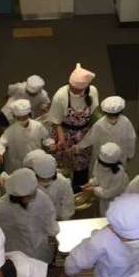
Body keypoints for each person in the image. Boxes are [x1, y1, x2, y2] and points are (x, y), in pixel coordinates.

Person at [0, 168, 59, 264]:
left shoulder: (42, 199)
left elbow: (51, 224)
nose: (32, 196)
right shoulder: (1, 206)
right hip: (18, 252)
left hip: (34, 251)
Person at [47, 63, 99, 192]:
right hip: (63, 133)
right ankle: (61, 191)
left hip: (83, 135)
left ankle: (78, 193)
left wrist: (89, 137)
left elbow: (93, 116)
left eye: (76, 89)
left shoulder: (92, 92)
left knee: (81, 168)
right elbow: (56, 121)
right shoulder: (61, 96)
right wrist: (61, 140)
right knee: (61, 167)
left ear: (85, 87)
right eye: (71, 87)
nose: (72, 90)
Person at [75, 96, 136, 165]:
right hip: (114, 157)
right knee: (116, 170)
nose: (113, 118)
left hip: (106, 158)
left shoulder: (100, 124)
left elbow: (90, 138)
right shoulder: (125, 122)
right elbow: (131, 139)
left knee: (105, 170)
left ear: (104, 112)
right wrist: (130, 154)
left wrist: (78, 146)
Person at [0, 99, 51, 174]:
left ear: (28, 114)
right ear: (14, 117)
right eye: (19, 118)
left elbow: (46, 138)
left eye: (24, 117)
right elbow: (1, 143)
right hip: (16, 165)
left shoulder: (38, 126)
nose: (22, 120)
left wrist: (50, 144)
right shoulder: (10, 130)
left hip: (34, 163)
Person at [81, 142, 129, 217]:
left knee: (109, 216)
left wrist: (93, 189)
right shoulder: (99, 162)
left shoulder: (118, 174)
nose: (102, 166)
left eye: (105, 165)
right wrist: (91, 183)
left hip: (114, 202)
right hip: (103, 197)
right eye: (101, 162)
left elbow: (108, 194)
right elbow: (98, 176)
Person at [30, 151, 75, 221]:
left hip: (58, 218)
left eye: (49, 178)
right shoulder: (30, 183)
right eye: (42, 179)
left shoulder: (63, 183)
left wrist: (63, 221)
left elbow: (68, 205)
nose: (46, 181)